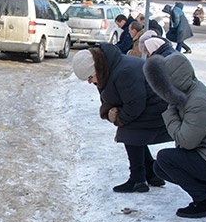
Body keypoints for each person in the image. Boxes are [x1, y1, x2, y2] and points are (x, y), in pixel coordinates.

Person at [144, 53, 206, 218]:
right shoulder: (189, 92)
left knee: (165, 158)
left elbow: (186, 141)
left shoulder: (198, 101)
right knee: (159, 168)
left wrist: (169, 112)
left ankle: (205, 201)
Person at [72, 44, 172, 193]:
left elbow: (134, 105)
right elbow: (111, 98)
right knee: (133, 132)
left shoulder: (124, 71)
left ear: (96, 69)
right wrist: (109, 110)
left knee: (129, 132)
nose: (90, 82)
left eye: (90, 78)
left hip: (158, 109)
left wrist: (119, 119)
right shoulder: (108, 69)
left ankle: (137, 180)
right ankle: (151, 173)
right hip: (149, 106)